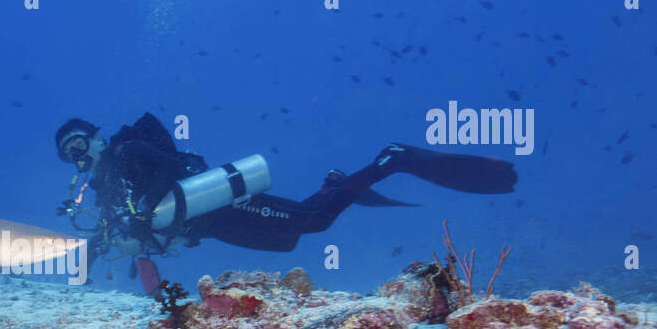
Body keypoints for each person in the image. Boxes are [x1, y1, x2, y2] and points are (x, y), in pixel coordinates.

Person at [54, 112, 518, 289]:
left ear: (95, 136)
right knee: (289, 241)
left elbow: (171, 168)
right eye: (68, 153)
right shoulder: (106, 187)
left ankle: (390, 159)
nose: (77, 155)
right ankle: (336, 182)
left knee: (314, 222)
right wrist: (86, 258)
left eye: (79, 142)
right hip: (205, 226)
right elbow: (115, 231)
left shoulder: (127, 152)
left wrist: (141, 214)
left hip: (218, 206)